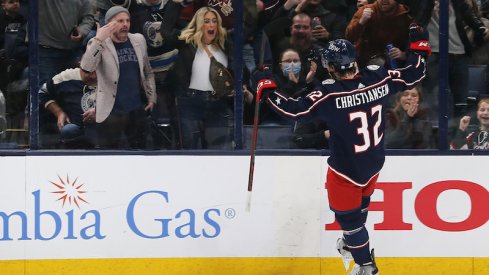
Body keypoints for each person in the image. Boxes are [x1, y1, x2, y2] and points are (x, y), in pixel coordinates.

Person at [255, 24, 431, 275]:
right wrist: (419, 46)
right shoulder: (378, 77)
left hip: (345, 171)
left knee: (348, 220)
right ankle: (352, 245)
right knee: (358, 210)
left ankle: (366, 266)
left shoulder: (329, 94)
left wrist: (265, 86)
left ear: (330, 68)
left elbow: (293, 111)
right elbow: (416, 72)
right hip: (373, 163)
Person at [80, 6, 156, 149]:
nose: (125, 24)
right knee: (109, 160)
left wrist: (152, 97)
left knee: (141, 156)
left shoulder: (138, 40)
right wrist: (98, 40)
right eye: (120, 21)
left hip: (135, 111)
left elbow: (148, 72)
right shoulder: (98, 43)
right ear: (108, 24)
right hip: (111, 114)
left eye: (127, 20)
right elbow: (86, 68)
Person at [164, 6, 234, 149]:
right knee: (190, 150)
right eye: (207, 21)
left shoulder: (225, 44)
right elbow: (165, 31)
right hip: (189, 103)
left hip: (217, 104)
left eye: (214, 21)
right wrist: (175, 3)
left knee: (220, 150)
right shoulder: (186, 42)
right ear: (199, 24)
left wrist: (236, 86)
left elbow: (237, 70)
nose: (211, 25)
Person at [38, 0, 95, 85]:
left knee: (73, 90)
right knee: (45, 90)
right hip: (46, 51)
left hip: (73, 51)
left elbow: (88, 18)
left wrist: (81, 31)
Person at [38, 68, 97, 148]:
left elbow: (119, 109)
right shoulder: (67, 77)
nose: (93, 76)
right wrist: (58, 112)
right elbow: (42, 92)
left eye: (98, 71)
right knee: (68, 130)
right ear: (80, 65)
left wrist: (100, 111)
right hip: (75, 131)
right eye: (88, 72)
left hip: (104, 130)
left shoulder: (112, 78)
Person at [345, 0, 412, 68]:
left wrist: (405, 55)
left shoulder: (406, 15)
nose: (384, 1)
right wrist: (361, 22)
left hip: (396, 59)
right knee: (379, 64)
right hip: (367, 59)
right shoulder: (365, 11)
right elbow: (349, 37)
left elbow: (415, 40)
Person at [385, 85, 434, 149]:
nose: (409, 98)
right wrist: (407, 117)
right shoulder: (390, 116)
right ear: (399, 99)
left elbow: (426, 144)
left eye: (414, 95)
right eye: (405, 95)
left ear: (419, 100)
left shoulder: (423, 117)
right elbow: (389, 142)